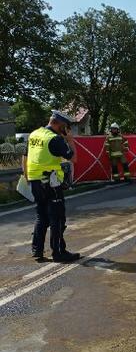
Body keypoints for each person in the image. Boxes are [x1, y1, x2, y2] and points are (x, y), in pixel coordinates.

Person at [24, 111, 80, 262]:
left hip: (35, 181)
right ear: (58, 124)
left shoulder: (34, 134)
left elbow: (25, 157)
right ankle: (58, 252)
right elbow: (74, 158)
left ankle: (37, 251)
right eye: (64, 127)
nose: (65, 129)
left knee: (41, 216)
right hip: (51, 183)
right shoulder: (54, 139)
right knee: (57, 218)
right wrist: (70, 140)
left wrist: (27, 178)